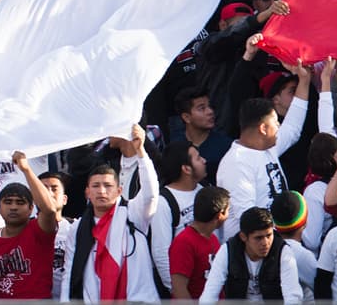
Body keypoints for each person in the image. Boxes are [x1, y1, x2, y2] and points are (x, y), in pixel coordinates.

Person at [63, 126, 160, 301]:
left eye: (108, 186)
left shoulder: (134, 215)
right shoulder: (77, 227)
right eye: (95, 186)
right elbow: (69, 270)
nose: (101, 191)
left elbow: (151, 194)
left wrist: (141, 151)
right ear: (87, 192)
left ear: (119, 190)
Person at [217, 65, 311, 239]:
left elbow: (293, 126)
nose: (279, 127)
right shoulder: (237, 163)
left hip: (274, 245)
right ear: (262, 128)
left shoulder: (266, 147)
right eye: (275, 123)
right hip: (252, 255)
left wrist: (304, 80)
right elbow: (248, 219)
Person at [0, 150, 61, 299]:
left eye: (20, 203)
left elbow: (49, 210)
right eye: (8, 202)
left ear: (31, 208)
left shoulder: (39, 231)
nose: (13, 207)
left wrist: (26, 169)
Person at [199, 207, 303, 303]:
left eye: (269, 235)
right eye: (259, 238)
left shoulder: (283, 251)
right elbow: (209, 294)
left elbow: (293, 297)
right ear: (243, 236)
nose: (265, 242)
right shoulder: (228, 250)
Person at [150, 141, 208, 295]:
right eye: (198, 158)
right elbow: (161, 252)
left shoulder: (205, 191)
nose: (204, 160)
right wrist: (177, 291)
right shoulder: (164, 202)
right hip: (184, 285)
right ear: (186, 168)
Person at [168, 186, 230, 300]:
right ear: (219, 215)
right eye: (228, 211)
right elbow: (179, 288)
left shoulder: (213, 239)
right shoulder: (184, 242)